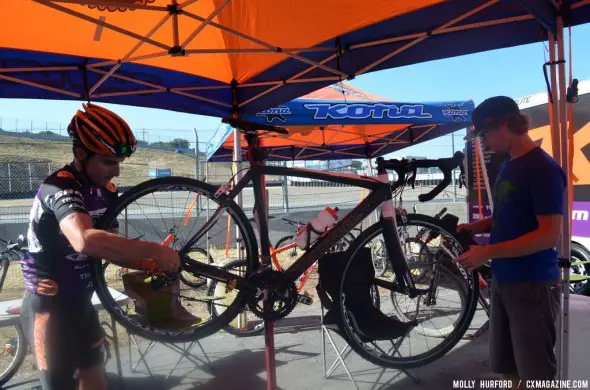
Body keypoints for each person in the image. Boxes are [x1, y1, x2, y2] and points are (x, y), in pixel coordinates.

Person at [19, 103, 180, 390]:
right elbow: (85, 239)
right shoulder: (59, 187)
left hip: (82, 303)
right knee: (59, 386)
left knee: (95, 379)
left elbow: (113, 247)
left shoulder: (106, 191)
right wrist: (152, 250)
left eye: (119, 162)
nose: (116, 171)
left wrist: (155, 266)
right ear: (81, 153)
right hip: (49, 307)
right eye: (108, 162)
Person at [454, 96, 565, 388]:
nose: (485, 143)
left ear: (503, 124)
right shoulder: (509, 165)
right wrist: (477, 225)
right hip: (505, 280)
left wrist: (487, 251)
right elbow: (508, 213)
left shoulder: (543, 169)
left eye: (484, 134)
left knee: (536, 374)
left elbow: (548, 235)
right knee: (507, 367)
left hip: (532, 284)